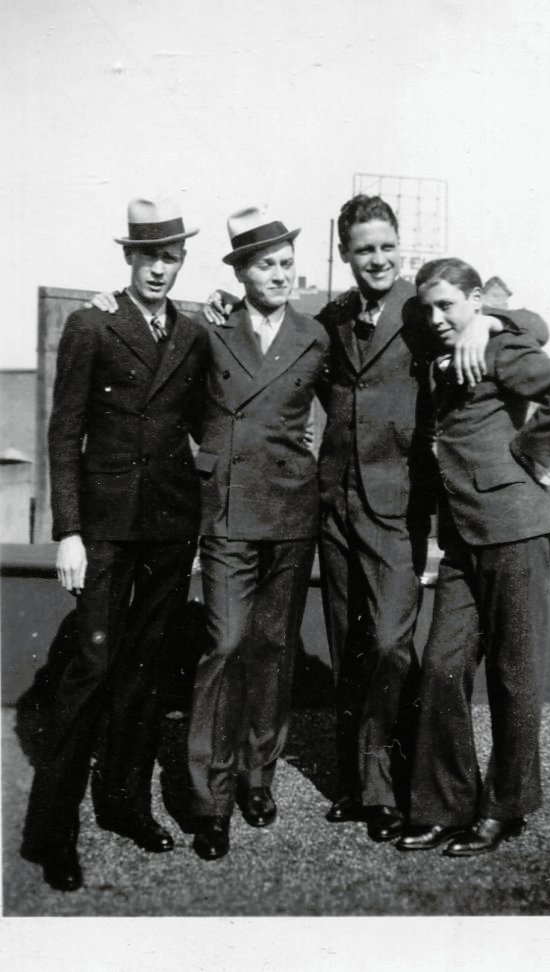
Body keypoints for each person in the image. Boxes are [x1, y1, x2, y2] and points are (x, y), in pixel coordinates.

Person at [203, 194, 535, 843]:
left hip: (396, 507)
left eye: (386, 247)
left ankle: (390, 784)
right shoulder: (332, 316)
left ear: (398, 247)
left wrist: (489, 320)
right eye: (364, 250)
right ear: (345, 254)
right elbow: (274, 327)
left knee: (389, 644)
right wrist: (221, 302)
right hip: (332, 503)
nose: (377, 259)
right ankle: (362, 788)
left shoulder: (424, 309)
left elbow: (532, 325)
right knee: (351, 645)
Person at [20, 196, 209, 891]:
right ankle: (50, 834)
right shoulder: (91, 323)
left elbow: (202, 421)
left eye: (170, 257)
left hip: (169, 526)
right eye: (147, 256)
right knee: (92, 668)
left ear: (181, 261)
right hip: (103, 527)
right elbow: (64, 431)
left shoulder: (192, 333)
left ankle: (124, 805)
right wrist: (68, 531)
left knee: (145, 670)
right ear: (129, 258)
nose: (158, 268)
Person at [396, 257, 550, 856]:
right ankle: (444, 806)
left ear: (476, 300)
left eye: (448, 305)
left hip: (515, 531)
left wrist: (529, 454)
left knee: (514, 675)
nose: (436, 317)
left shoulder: (498, 345)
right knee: (441, 667)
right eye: (429, 307)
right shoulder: (440, 346)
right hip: (462, 538)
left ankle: (505, 809)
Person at [187, 206, 331, 861]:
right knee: (226, 645)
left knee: (273, 648)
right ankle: (210, 800)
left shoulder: (314, 335)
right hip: (228, 512)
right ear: (241, 272)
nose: (279, 274)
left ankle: (256, 777)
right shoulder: (208, 328)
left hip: (292, 511)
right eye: (266, 265)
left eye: (286, 263)